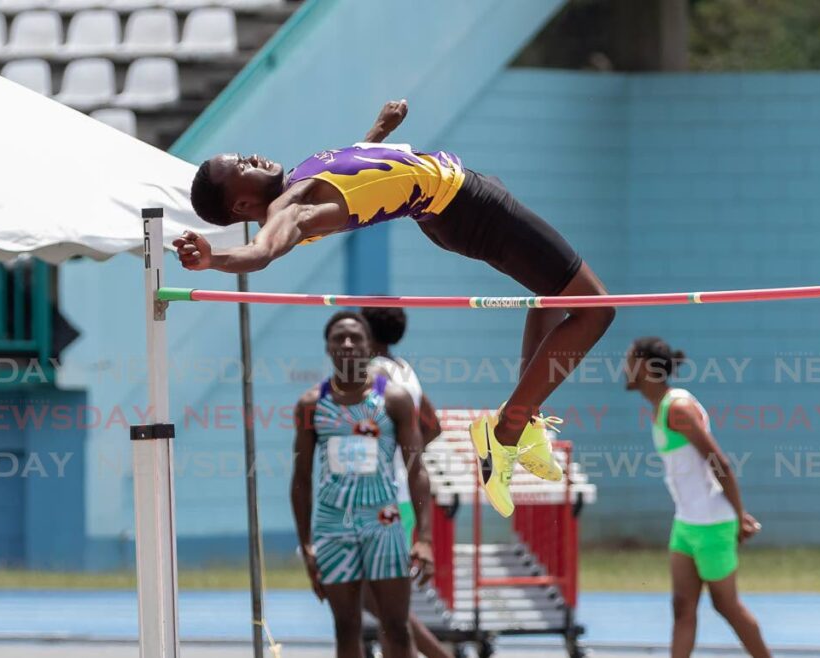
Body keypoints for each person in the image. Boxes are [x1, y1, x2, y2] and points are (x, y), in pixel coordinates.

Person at [176, 99, 615, 517]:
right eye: (242, 166)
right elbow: (262, 250)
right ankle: (506, 431)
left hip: (455, 203)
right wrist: (214, 258)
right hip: (466, 208)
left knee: (554, 295)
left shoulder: (298, 181)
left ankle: (524, 421)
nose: (252, 156)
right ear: (241, 204)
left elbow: (359, 175)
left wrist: (379, 131)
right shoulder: (289, 210)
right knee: (595, 308)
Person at [291, 311, 434, 658]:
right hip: (332, 525)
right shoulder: (312, 403)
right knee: (346, 627)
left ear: (370, 346)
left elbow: (417, 470)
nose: (348, 343)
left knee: (396, 627)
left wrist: (425, 538)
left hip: (383, 521)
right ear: (327, 347)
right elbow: (301, 478)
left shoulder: (393, 399)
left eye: (356, 337)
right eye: (338, 337)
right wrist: (307, 542)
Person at [625, 337, 771, 658]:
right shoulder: (663, 407)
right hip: (686, 524)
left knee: (727, 606)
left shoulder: (677, 409)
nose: (624, 369)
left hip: (711, 523)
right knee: (682, 608)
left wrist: (739, 515)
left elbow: (720, 463)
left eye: (629, 361)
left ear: (648, 367)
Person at [361, 306, 452, 658]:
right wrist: (405, 456)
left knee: (378, 600)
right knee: (381, 601)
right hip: (399, 494)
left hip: (381, 497)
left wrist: (394, 457)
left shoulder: (375, 375)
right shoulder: (405, 371)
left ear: (367, 333)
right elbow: (433, 425)